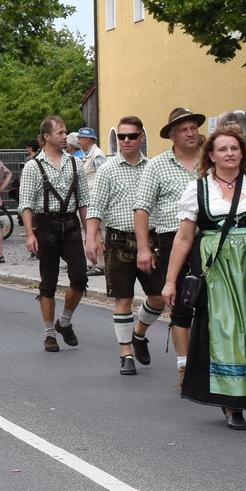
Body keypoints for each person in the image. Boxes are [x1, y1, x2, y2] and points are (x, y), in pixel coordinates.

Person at [162, 126, 246, 430]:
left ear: (243, 152)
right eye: (222, 149)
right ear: (211, 155)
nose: (229, 153)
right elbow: (183, 238)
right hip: (218, 267)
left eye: (234, 148)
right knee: (227, 329)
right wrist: (170, 280)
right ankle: (232, 402)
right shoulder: (199, 189)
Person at [133, 107, 206, 379]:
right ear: (172, 136)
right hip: (171, 239)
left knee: (211, 304)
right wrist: (143, 248)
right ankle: (185, 368)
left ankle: (211, 363)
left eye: (193, 128)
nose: (190, 133)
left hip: (209, 241)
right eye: (184, 130)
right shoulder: (157, 165)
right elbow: (141, 208)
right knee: (180, 303)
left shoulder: (210, 161)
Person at [84, 116, 152, 374]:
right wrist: (92, 237)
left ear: (141, 138)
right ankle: (126, 353)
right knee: (123, 298)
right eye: (121, 136)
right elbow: (96, 206)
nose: (126, 141)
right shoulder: (108, 170)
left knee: (157, 298)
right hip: (118, 240)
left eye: (131, 136)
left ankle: (139, 332)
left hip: (150, 241)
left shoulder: (152, 167)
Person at [20, 115, 89, 350]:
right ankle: (49, 333)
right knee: (48, 282)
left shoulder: (75, 163)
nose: (65, 137)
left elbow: (83, 201)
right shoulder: (33, 166)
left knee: (80, 277)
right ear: (46, 137)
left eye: (65, 132)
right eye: (60, 133)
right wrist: (30, 234)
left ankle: (64, 322)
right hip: (46, 225)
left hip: (70, 225)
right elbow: (26, 204)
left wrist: (90, 234)